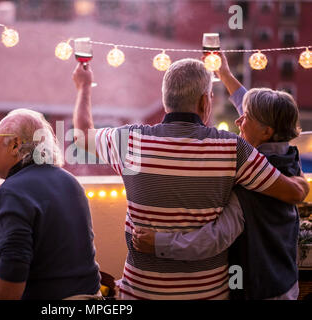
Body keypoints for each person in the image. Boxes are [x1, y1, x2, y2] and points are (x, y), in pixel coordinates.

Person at [72, 59, 309, 300]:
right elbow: (292, 192)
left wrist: (84, 87)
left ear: (166, 99)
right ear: (205, 101)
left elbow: (81, 136)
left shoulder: (129, 141)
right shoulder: (233, 149)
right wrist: (298, 174)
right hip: (210, 294)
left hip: (141, 292)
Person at [0, 108, 101, 300]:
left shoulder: (13, 192)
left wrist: (6, 198)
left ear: (15, 145)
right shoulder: (69, 181)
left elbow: (13, 267)